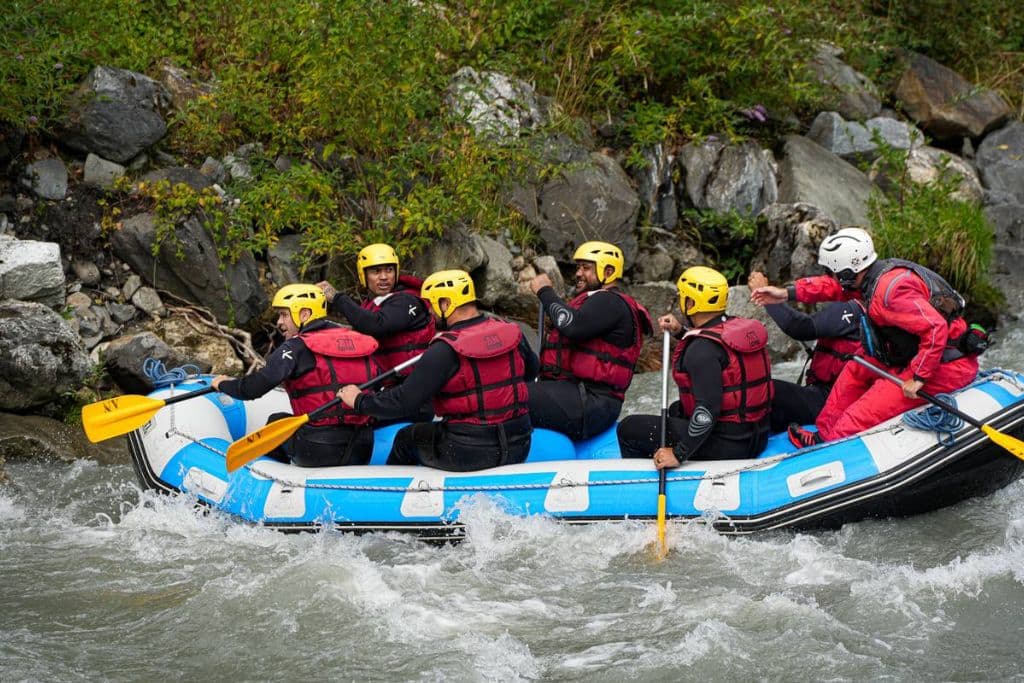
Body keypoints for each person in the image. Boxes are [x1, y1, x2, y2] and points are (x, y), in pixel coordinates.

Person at [750, 227, 981, 446]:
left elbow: (935, 328)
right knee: (855, 368)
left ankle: (834, 443)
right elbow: (831, 287)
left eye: (834, 272)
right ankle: (824, 433)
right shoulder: (870, 276)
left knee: (858, 415)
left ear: (849, 273)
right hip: (909, 355)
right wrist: (785, 293)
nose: (831, 277)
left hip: (943, 365)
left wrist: (919, 377)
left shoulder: (890, 294)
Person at [337, 270, 538, 471]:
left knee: (406, 438)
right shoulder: (512, 331)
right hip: (520, 443)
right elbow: (531, 372)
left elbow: (404, 402)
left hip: (470, 451)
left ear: (446, 304)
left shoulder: (445, 349)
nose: (430, 314)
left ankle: (391, 494)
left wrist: (359, 400)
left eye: (432, 306)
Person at [618, 266, 773, 468]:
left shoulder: (700, 351)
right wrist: (680, 330)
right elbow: (717, 352)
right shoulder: (735, 328)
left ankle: (643, 479)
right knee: (676, 409)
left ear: (690, 303)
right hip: (756, 434)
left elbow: (707, 411)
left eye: (683, 297)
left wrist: (678, 453)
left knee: (628, 428)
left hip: (730, 446)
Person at [212, 284, 381, 467]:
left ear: (304, 315)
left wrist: (223, 384)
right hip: (363, 446)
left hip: (319, 448)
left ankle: (273, 480)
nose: (279, 322)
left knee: (276, 420)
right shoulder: (360, 341)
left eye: (284, 315)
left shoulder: (295, 347)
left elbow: (252, 389)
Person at [527, 240, 652, 441]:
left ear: (609, 271)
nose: (578, 274)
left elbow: (573, 326)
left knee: (512, 397)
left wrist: (545, 291)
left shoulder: (610, 301)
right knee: (512, 390)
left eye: (586, 268)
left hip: (592, 403)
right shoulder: (592, 301)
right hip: (577, 394)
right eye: (578, 268)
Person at [748, 270, 864, 432]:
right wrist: (784, 292)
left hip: (830, 400)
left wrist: (767, 297)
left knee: (766, 390)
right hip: (832, 393)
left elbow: (801, 328)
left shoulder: (853, 310)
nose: (830, 278)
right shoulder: (867, 298)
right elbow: (820, 287)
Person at [317, 243, 434, 375]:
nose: (384, 277)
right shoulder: (369, 305)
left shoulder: (407, 299)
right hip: (386, 384)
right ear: (363, 275)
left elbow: (377, 325)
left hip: (411, 382)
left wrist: (337, 298)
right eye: (376, 271)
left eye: (389, 270)